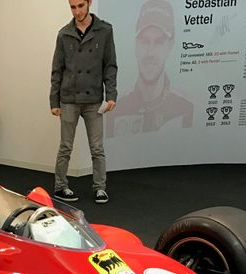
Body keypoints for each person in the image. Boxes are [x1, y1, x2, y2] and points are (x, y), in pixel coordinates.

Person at [50, 0, 117, 204]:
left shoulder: (104, 30)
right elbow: (57, 69)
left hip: (94, 99)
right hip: (68, 98)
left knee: (97, 147)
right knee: (65, 146)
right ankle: (60, 186)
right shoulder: (64, 34)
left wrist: (111, 94)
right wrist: (54, 101)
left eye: (80, 5)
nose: (77, 11)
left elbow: (110, 65)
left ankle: (100, 187)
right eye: (73, 7)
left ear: (89, 3)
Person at [106, 0, 193, 137]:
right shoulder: (116, 110)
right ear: (136, 46)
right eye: (145, 41)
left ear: (169, 47)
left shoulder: (184, 109)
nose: (150, 52)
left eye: (159, 42)